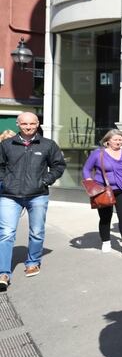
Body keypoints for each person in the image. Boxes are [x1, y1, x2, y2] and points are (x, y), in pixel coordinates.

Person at [0, 113, 66, 291]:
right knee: (6, 233)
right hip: (9, 195)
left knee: (36, 231)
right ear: (17, 124)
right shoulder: (7, 144)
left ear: (38, 124)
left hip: (38, 194)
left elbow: (59, 165)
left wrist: (45, 181)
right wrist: (5, 181)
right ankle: (3, 272)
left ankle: (33, 261)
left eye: (32, 123)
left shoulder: (48, 145)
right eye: (24, 124)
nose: (28, 127)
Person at [82, 129, 122, 254]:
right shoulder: (98, 154)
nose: (118, 142)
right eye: (115, 139)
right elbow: (86, 169)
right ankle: (106, 241)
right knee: (105, 217)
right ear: (108, 141)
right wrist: (90, 183)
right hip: (103, 190)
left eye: (120, 140)